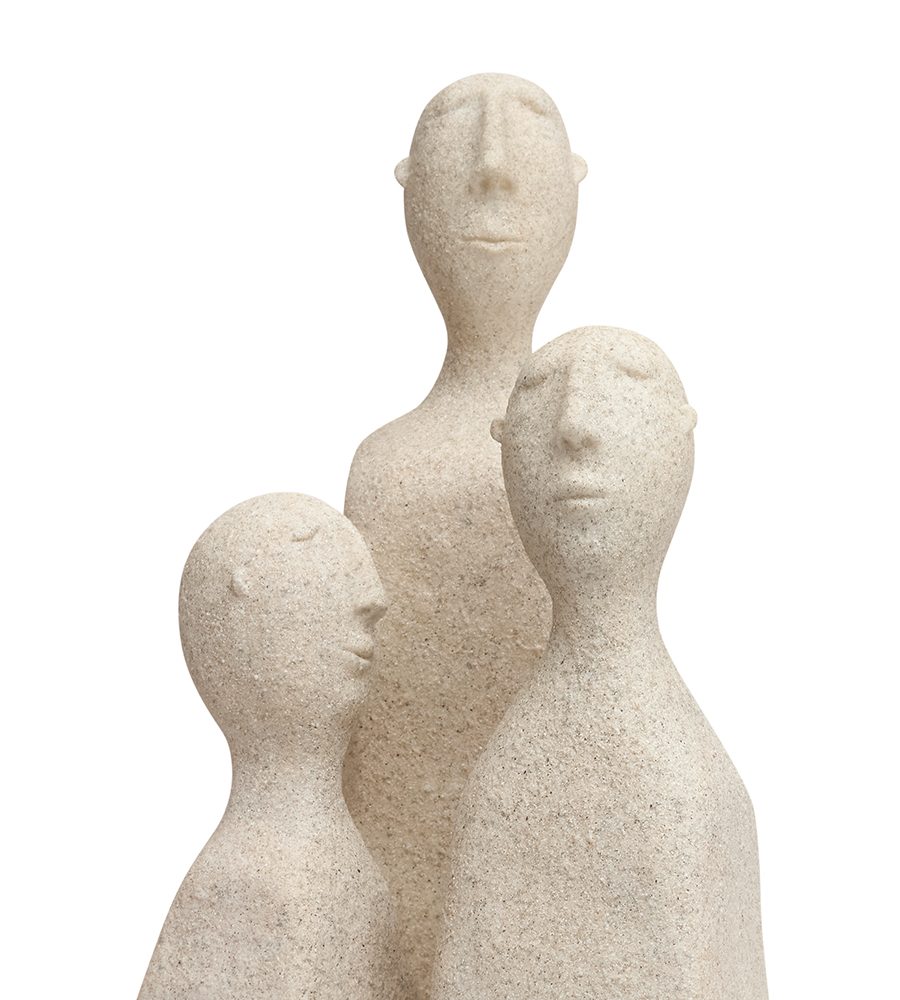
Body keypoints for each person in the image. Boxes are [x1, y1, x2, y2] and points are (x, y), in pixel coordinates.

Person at [343, 73, 588, 998]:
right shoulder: (385, 470)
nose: (492, 166)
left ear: (574, 181)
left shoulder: (581, 464)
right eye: (455, 130)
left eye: (527, 129)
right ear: (408, 187)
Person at [433, 327, 769, 1000]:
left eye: (628, 383)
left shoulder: (684, 790)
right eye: (538, 390)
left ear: (682, 439)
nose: (575, 424)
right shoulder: (507, 782)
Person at [138, 493, 402, 1000]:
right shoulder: (253, 881)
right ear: (244, 601)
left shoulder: (322, 864)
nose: (375, 600)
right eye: (322, 562)